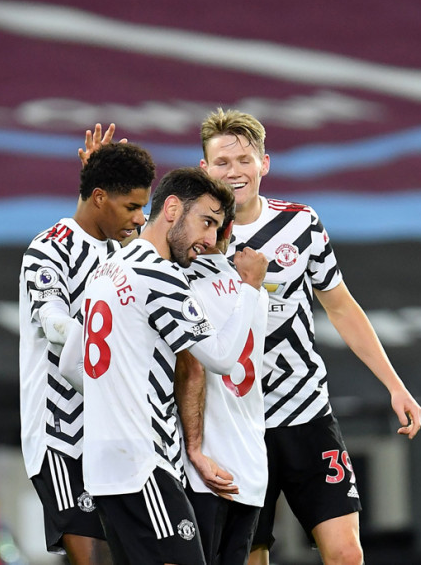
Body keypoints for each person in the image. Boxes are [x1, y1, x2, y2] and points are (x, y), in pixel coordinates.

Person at [199, 109, 421, 565]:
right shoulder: (193, 238)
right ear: (204, 170)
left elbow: (340, 306)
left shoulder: (301, 224)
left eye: (244, 159)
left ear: (265, 163)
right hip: (236, 425)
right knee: (249, 554)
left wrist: (394, 384)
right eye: (222, 162)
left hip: (306, 412)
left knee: (345, 553)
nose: (234, 171)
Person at [59, 167, 268, 565]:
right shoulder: (161, 274)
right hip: (144, 464)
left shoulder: (107, 269)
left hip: (103, 469)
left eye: (217, 227)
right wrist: (250, 289)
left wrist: (114, 399)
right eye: (206, 222)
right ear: (172, 208)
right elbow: (222, 357)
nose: (208, 241)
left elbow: (72, 362)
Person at [19, 129, 155, 565]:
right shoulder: (47, 251)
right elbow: (53, 320)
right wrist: (88, 338)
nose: (139, 218)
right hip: (63, 433)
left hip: (120, 429)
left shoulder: (131, 252)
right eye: (132, 207)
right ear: (100, 198)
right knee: (92, 559)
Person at [176, 211, 270, 565]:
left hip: (204, 467)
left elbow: (193, 369)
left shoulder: (180, 284)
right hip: (249, 466)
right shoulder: (253, 290)